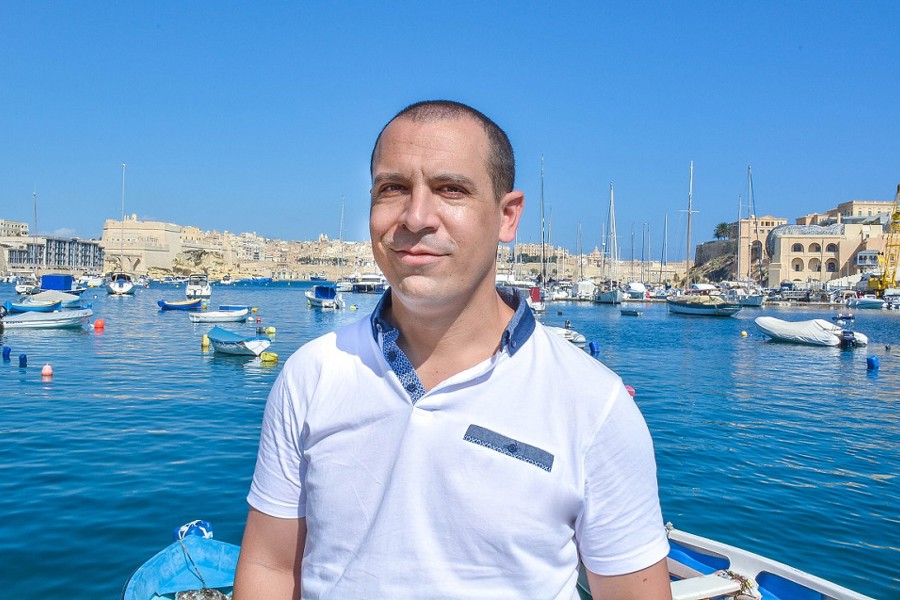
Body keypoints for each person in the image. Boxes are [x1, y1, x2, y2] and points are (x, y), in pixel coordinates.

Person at [233, 100, 671, 599]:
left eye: (451, 190)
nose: (416, 217)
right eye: (392, 188)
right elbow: (270, 567)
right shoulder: (311, 375)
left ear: (507, 217)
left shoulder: (595, 405)